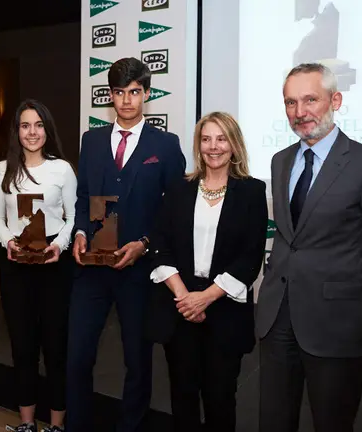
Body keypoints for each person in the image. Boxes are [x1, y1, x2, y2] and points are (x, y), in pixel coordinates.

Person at [256, 63, 362, 432]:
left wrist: (361, 308)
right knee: (273, 421)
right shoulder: (280, 161)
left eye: (310, 99)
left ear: (335, 100)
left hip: (338, 325)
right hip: (278, 319)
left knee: (332, 422)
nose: (300, 112)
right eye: (290, 102)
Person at [66, 57, 186, 431]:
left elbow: (175, 210)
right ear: (110, 96)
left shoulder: (165, 145)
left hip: (139, 271)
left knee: (137, 360)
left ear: (146, 93)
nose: (127, 100)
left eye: (134, 92)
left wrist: (145, 244)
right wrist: (80, 232)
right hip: (92, 269)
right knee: (78, 356)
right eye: (119, 92)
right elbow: (83, 197)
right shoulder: (91, 141)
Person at [146, 112, 267, 432]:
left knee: (220, 398)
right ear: (198, 145)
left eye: (221, 139)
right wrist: (185, 297)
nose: (214, 147)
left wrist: (206, 298)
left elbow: (250, 256)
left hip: (225, 308)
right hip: (180, 306)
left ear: (234, 144)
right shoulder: (178, 188)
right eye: (206, 139)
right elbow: (160, 244)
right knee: (182, 396)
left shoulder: (253, 191)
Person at [0, 99, 76, 432]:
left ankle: (56, 426)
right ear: (17, 131)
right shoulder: (2, 170)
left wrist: (59, 245)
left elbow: (73, 217)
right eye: (25, 125)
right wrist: (8, 242)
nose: (32, 132)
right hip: (17, 265)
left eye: (38, 125)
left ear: (47, 129)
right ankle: (26, 424)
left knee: (55, 347)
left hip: (54, 264)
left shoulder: (62, 169)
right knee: (22, 347)